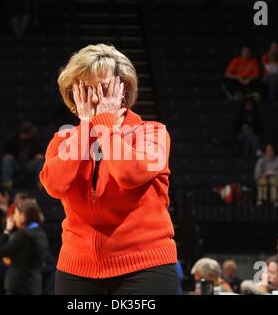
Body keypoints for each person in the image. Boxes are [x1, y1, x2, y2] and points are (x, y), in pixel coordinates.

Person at [40, 44, 178, 295]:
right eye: (85, 89)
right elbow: (54, 185)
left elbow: (129, 174)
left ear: (123, 90)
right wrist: (85, 127)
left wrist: (104, 125)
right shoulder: (63, 139)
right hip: (77, 271)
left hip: (145, 268)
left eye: (103, 89)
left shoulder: (154, 133)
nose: (95, 99)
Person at [0, 198, 48, 295]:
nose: (14, 218)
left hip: (17, 286)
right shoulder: (41, 234)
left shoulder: (22, 235)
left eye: (16, 214)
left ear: (23, 216)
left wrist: (7, 231)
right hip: (34, 286)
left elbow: (0, 251)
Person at [2, 123, 45, 191]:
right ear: (26, 133)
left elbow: (41, 150)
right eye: (31, 133)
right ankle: (7, 183)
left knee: (40, 160)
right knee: (7, 159)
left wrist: (40, 154)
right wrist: (7, 154)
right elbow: (4, 150)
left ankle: (41, 183)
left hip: (29, 164)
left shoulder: (35, 139)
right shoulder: (13, 139)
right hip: (16, 164)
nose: (33, 134)